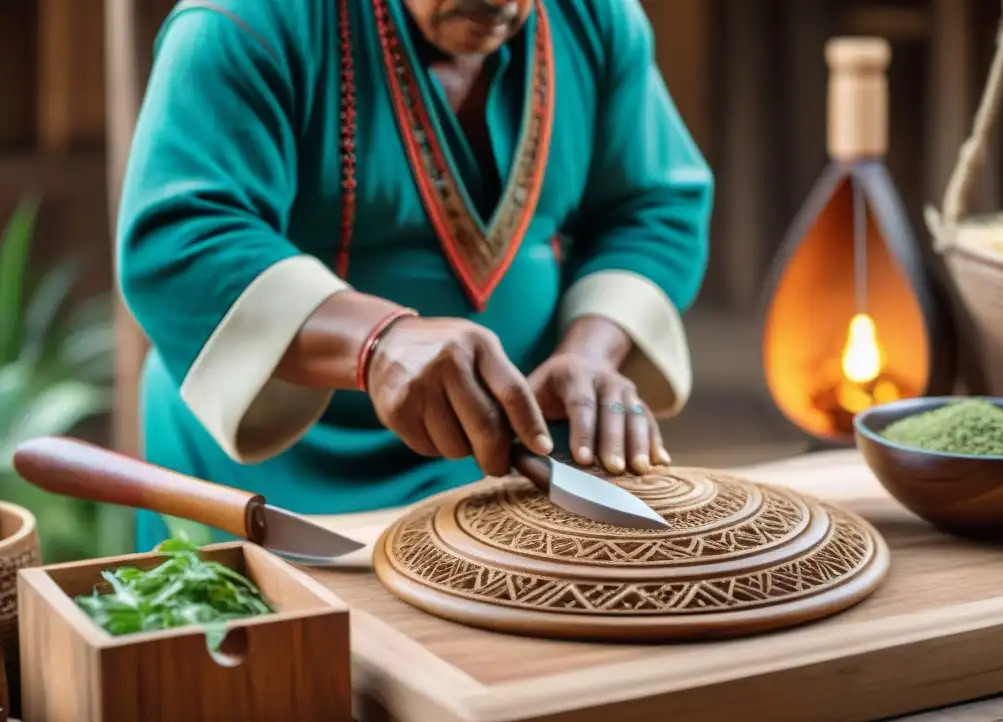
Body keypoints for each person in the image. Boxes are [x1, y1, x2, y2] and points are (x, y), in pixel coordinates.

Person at [118, 0, 714, 550]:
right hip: (268, 477)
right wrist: (378, 343)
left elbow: (655, 206)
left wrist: (592, 350)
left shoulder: (595, 16)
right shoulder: (241, 22)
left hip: (500, 459)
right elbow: (179, 239)